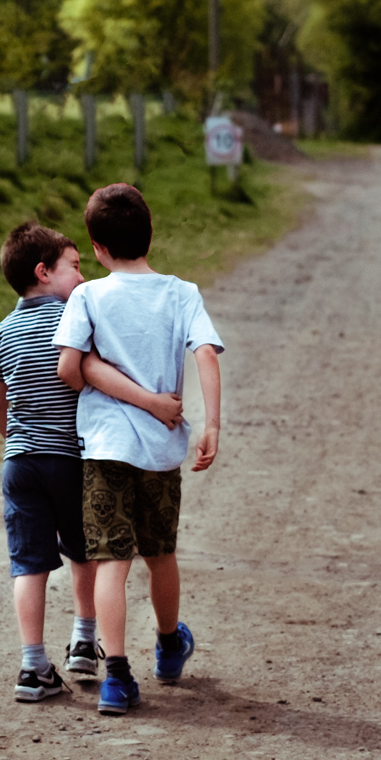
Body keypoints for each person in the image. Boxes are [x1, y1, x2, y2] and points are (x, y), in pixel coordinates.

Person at [0, 221, 183, 702]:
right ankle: (82, 638)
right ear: (43, 271)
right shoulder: (75, 318)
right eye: (73, 267)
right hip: (71, 460)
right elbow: (91, 371)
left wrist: (17, 440)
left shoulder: (4, 328)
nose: (82, 275)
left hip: (21, 463)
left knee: (28, 565)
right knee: (87, 552)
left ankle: (33, 667)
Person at [54, 183, 223, 716]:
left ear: (96, 247)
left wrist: (100, 381)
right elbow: (206, 356)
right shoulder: (182, 292)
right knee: (160, 553)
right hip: (160, 451)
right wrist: (210, 423)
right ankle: (170, 644)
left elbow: (68, 368)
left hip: (104, 447)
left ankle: (117, 677)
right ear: (151, 234)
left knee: (110, 561)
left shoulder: (88, 296)